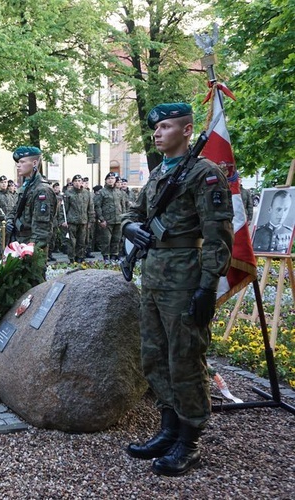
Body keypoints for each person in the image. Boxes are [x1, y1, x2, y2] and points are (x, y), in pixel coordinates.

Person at [122, 103, 234, 476]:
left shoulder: (205, 175)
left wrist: (207, 288)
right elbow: (134, 214)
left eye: (166, 127)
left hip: (186, 276)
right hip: (154, 275)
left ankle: (190, 440)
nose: (157, 133)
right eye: (155, 128)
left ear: (187, 131)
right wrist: (129, 229)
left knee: (184, 358)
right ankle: (168, 429)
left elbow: (219, 236)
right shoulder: (157, 175)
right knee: (154, 355)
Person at [4, 147, 57, 268]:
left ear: (34, 163)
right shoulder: (27, 186)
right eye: (18, 162)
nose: (18, 165)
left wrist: (31, 250)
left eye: (22, 162)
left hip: (30, 249)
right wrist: (10, 220)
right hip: (19, 243)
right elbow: (15, 210)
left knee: (33, 284)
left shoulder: (42, 190)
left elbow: (42, 228)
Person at [59, 174, 94, 263]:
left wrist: (91, 220)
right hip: (72, 221)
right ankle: (72, 258)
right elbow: (63, 209)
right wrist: (63, 220)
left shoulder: (87, 193)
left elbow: (90, 208)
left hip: (83, 221)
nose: (77, 183)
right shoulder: (68, 193)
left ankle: (80, 257)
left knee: (82, 241)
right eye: (75, 181)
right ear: (73, 182)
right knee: (71, 242)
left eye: (79, 181)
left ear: (82, 182)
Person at [94, 172, 127, 263]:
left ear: (115, 180)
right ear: (105, 180)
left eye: (112, 178)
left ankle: (114, 256)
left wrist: (124, 217)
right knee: (106, 240)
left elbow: (123, 206)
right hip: (106, 220)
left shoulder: (119, 192)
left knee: (117, 239)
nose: (110, 180)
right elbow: (97, 206)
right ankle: (106, 257)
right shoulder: (102, 192)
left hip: (118, 220)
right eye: (108, 178)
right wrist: (101, 219)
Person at [252, 189, 292, 253]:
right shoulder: (258, 232)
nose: (282, 214)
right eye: (278, 209)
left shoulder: (290, 232)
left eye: (285, 210)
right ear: (270, 209)